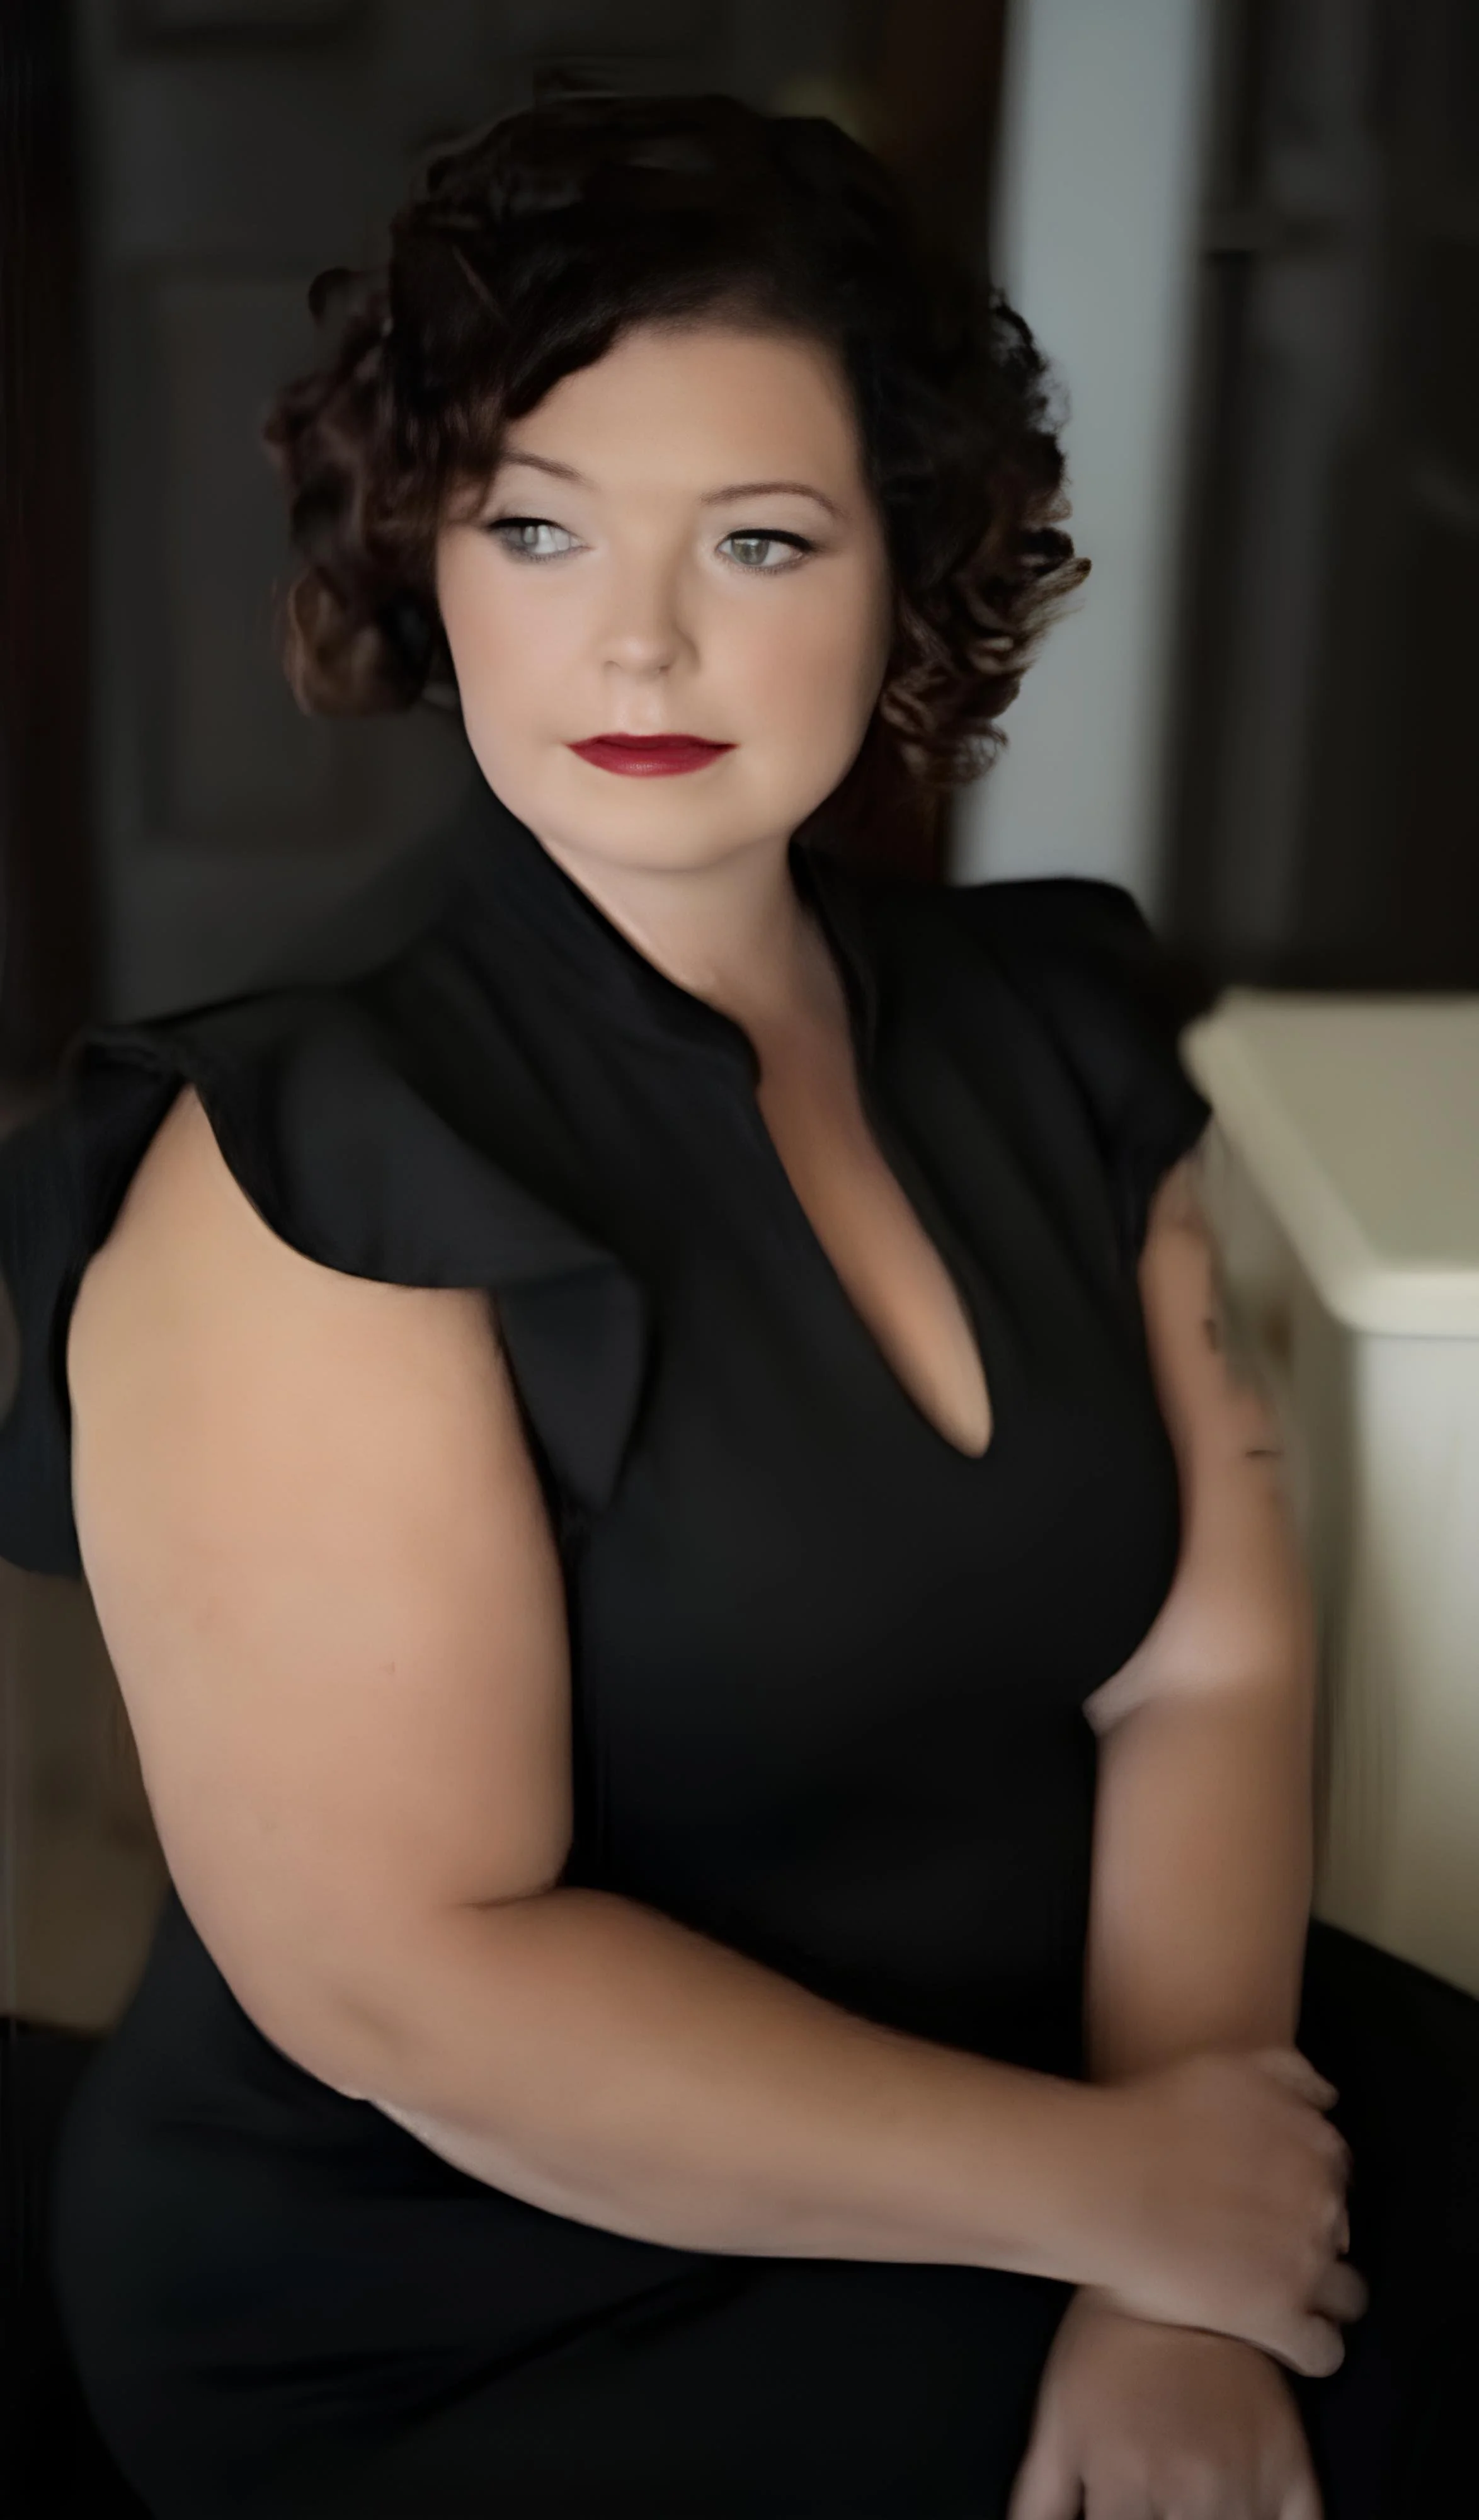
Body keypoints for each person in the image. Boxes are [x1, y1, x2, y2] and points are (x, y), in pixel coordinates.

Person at [0, 88, 1474, 2520]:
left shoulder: (1047, 1034)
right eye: (539, 526)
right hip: (465, 2293)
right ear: (427, 566)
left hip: (1064, 2085)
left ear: (910, 572)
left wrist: (1166, 2242)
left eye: (760, 538)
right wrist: (1106, 2206)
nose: (642, 637)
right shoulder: (311, 1175)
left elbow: (1197, 1663)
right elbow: (419, 1985)